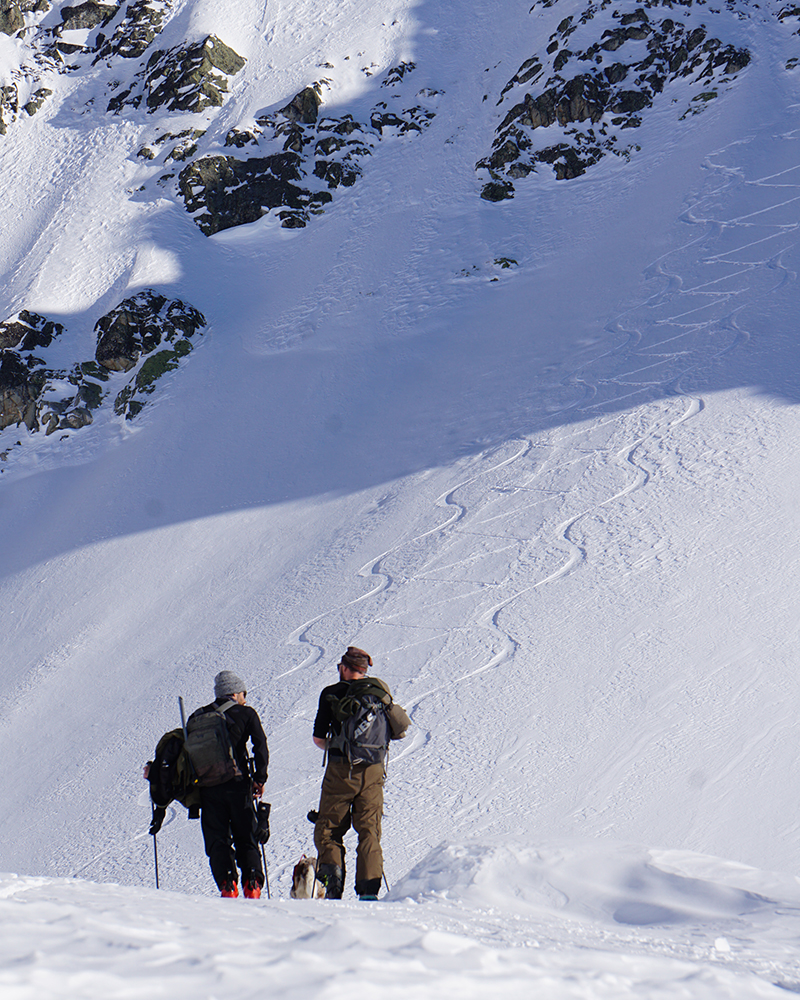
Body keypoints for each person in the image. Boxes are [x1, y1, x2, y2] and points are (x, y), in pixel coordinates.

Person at [312, 646, 409, 900]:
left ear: (345, 667)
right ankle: (368, 892)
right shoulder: (379, 691)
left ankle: (331, 888)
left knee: (329, 830)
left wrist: (339, 746)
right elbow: (398, 731)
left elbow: (318, 738)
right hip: (374, 771)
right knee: (369, 831)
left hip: (341, 772)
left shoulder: (331, 693)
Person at [190, 670, 269, 898]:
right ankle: (252, 885)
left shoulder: (197, 717)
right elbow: (260, 746)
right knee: (247, 836)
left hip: (208, 788)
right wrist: (260, 778)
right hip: (239, 785)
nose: (245, 697)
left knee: (218, 839)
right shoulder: (246, 713)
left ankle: (227, 885)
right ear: (234, 693)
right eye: (244, 692)